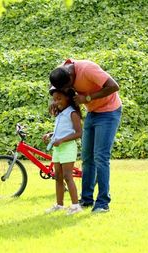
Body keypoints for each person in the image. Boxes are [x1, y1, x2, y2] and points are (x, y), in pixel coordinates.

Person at [49, 59, 122, 213]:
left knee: (100, 157)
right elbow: (54, 87)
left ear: (70, 75)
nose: (69, 90)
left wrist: (87, 98)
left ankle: (102, 203)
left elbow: (114, 87)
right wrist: (52, 100)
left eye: (68, 87)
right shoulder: (61, 71)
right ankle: (86, 199)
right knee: (87, 158)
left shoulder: (88, 69)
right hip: (92, 112)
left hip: (108, 112)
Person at [43, 88, 83, 215]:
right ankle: (59, 205)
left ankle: (76, 206)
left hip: (68, 148)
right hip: (58, 149)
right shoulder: (60, 113)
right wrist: (51, 135)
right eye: (54, 99)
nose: (56, 102)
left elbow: (78, 133)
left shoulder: (72, 113)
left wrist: (62, 140)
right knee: (58, 177)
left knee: (67, 176)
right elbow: (62, 130)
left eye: (59, 99)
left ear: (68, 98)